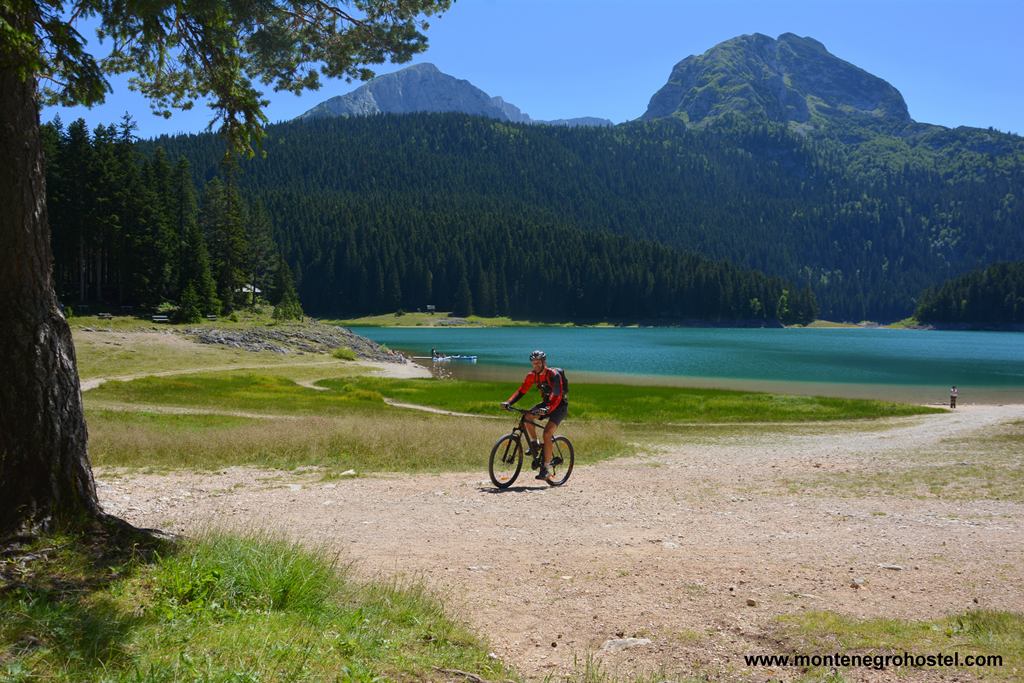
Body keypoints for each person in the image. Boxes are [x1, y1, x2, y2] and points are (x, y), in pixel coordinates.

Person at [502, 349, 568, 481]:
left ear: (544, 362)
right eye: (534, 363)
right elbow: (521, 391)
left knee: (547, 434)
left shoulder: (554, 375)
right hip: (546, 404)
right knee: (527, 417)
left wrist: (547, 409)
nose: (536, 365)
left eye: (539, 362)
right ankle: (534, 443)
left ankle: (546, 468)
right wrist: (508, 402)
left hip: (559, 406)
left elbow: (557, 395)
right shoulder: (532, 375)